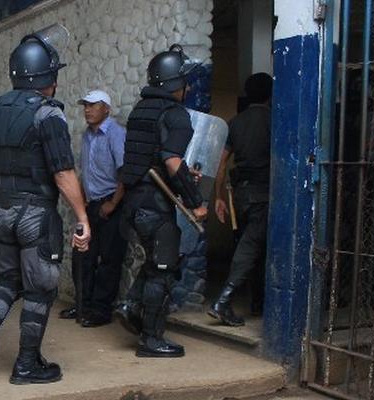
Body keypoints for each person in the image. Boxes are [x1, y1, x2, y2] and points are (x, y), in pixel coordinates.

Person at [0, 29, 91, 385]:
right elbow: (63, 172)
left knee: (7, 280)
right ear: (47, 77)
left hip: (0, 211)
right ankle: (25, 365)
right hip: (35, 214)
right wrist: (82, 216)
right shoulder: (48, 114)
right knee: (40, 288)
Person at [116, 44, 207, 357]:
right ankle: (151, 340)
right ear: (174, 83)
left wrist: (181, 176)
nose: (188, 86)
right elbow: (170, 160)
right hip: (155, 205)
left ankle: (130, 305)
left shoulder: (141, 109)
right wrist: (196, 201)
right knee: (164, 269)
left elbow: (152, 158)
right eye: (185, 81)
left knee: (156, 262)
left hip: (135, 202)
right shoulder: (175, 113)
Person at [208, 73, 272, 327]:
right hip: (264, 196)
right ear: (270, 95)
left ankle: (257, 302)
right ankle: (223, 300)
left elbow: (221, 163)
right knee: (251, 248)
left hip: (241, 196)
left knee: (253, 246)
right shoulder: (275, 121)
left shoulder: (235, 123)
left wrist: (220, 198)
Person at [58, 90, 127, 327]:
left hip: (111, 204)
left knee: (109, 259)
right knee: (82, 256)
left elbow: (124, 173)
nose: (87, 110)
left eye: (93, 105)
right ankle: (82, 305)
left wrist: (113, 203)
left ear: (106, 108)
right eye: (85, 105)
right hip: (92, 205)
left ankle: (100, 311)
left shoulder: (116, 134)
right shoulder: (88, 135)